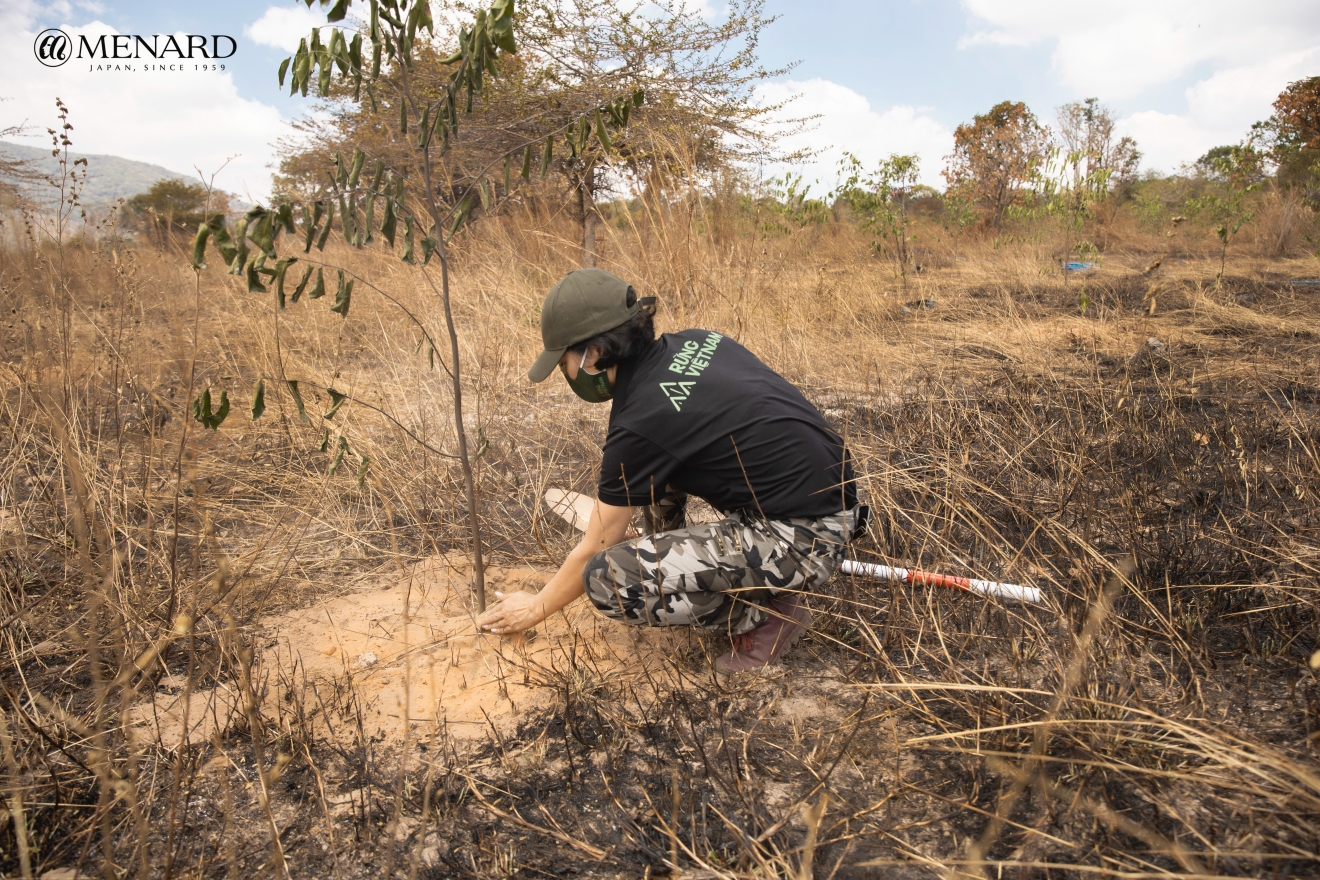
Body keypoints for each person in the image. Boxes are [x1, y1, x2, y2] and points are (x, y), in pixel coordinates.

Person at [476, 268, 862, 674]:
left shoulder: (640, 423)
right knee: (661, 472)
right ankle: (700, 560)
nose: (565, 373)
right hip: (836, 498)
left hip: (805, 536)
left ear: (592, 354)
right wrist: (656, 545)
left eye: (564, 361)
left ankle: (764, 619)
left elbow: (593, 548)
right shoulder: (698, 341)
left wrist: (534, 607)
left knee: (606, 578)